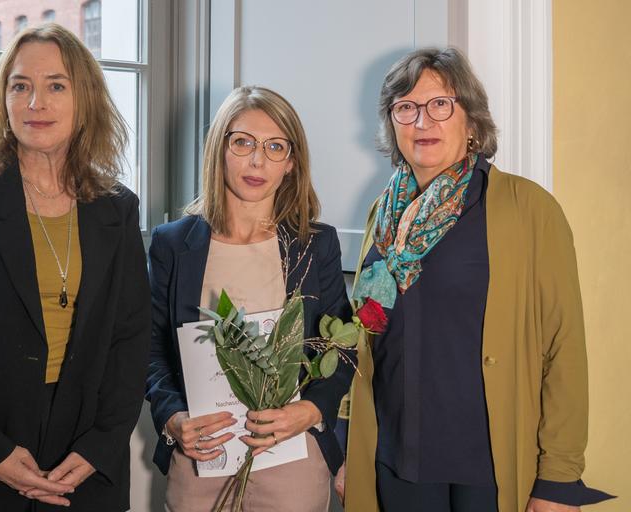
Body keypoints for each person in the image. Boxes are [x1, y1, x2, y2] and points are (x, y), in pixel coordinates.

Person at [336, 47, 613, 512]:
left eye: (440, 104)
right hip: (395, 462)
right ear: (392, 123)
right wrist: (348, 449)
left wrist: (559, 480)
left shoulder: (527, 210)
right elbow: (367, 343)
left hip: (486, 470)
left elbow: (563, 348)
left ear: (472, 119)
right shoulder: (382, 216)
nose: (422, 122)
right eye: (406, 108)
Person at [0, 24, 150, 511]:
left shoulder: (116, 207)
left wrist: (100, 445)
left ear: (85, 98)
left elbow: (131, 337)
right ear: (4, 97)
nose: (36, 102)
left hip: (81, 455)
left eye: (56, 85)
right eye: (20, 86)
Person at [146, 85, 354, 511]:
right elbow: (148, 348)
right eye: (243, 142)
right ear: (219, 148)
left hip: (294, 459)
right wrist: (173, 418)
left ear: (292, 163)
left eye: (275, 146)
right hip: (203, 457)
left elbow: (344, 346)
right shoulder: (173, 244)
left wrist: (312, 410)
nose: (258, 160)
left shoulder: (315, 245)